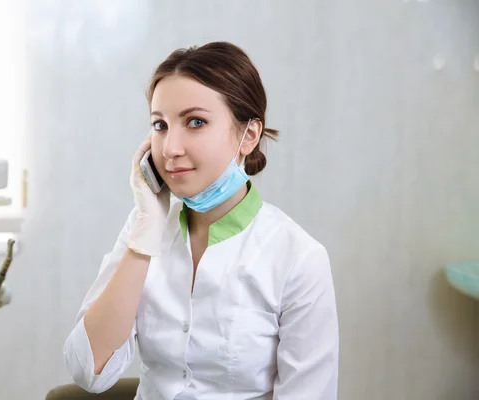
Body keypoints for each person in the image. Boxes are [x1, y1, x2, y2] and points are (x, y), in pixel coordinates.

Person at [64, 41, 339, 399]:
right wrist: (144, 237)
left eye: (196, 122)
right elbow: (88, 371)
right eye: (160, 125)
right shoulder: (144, 230)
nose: (170, 148)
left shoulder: (299, 258)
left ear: (249, 135)